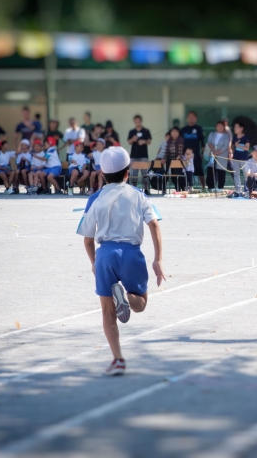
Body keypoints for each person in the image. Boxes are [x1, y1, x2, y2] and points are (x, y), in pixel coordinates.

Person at [76, 146, 165, 376]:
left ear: (103, 174)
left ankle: (117, 359)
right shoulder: (138, 194)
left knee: (107, 312)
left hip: (105, 253)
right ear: (128, 172)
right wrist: (158, 260)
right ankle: (126, 297)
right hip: (131, 253)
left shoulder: (95, 198)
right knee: (141, 304)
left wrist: (94, 262)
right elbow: (154, 224)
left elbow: (87, 240)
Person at [127, 114, 152, 195]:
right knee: (134, 173)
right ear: (134, 122)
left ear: (141, 121)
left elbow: (149, 141)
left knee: (145, 172)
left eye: (139, 121)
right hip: (134, 155)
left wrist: (144, 141)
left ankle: (146, 189)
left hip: (143, 155)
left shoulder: (146, 131)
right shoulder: (132, 131)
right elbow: (129, 142)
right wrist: (133, 139)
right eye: (136, 121)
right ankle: (134, 188)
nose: (137, 122)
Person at [180, 111, 206, 190]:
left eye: (193, 117)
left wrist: (203, 153)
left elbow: (203, 142)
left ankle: (204, 187)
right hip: (185, 155)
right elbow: (180, 143)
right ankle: (186, 187)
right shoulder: (183, 129)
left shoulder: (198, 129)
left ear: (196, 119)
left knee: (200, 171)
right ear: (187, 119)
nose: (191, 119)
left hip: (196, 154)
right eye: (189, 117)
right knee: (186, 171)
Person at [156, 127, 186, 192]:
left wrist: (177, 159)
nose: (174, 133)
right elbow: (166, 152)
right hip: (170, 161)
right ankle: (176, 189)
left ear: (178, 133)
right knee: (171, 176)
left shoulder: (181, 140)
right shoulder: (169, 141)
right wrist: (164, 158)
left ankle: (183, 188)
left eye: (176, 132)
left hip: (178, 162)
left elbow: (180, 153)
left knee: (179, 175)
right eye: (172, 132)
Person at [205, 121, 231, 191]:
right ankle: (211, 187)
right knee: (211, 170)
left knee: (221, 171)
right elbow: (209, 142)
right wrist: (214, 150)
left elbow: (226, 145)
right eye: (218, 125)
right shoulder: (212, 134)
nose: (219, 127)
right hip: (212, 154)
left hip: (222, 155)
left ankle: (220, 187)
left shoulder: (226, 135)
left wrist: (219, 152)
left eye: (221, 126)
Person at [231, 119, 250, 192]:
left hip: (243, 159)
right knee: (236, 174)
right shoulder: (234, 137)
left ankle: (248, 188)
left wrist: (238, 145)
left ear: (241, 128)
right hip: (235, 158)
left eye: (236, 127)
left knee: (246, 174)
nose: (235, 129)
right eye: (234, 127)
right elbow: (232, 146)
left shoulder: (245, 137)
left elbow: (247, 148)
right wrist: (231, 152)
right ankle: (238, 189)